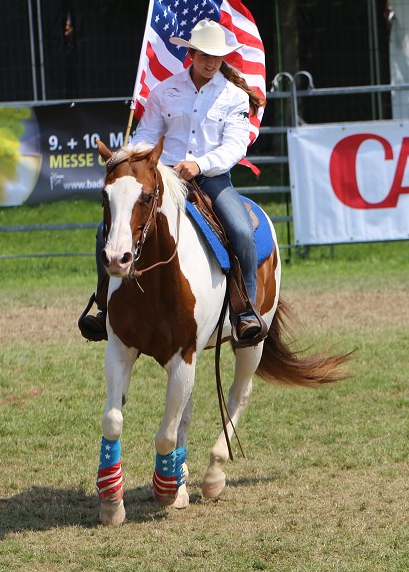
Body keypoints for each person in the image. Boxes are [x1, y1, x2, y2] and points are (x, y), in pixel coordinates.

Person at [78, 19, 267, 347]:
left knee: (239, 229)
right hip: (163, 180)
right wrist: (128, 158)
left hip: (212, 179)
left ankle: (246, 310)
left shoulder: (234, 97)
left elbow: (235, 146)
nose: (210, 62)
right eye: (204, 54)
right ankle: (105, 304)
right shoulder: (164, 92)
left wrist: (199, 164)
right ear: (191, 53)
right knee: (105, 231)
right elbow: (148, 134)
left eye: (217, 56)